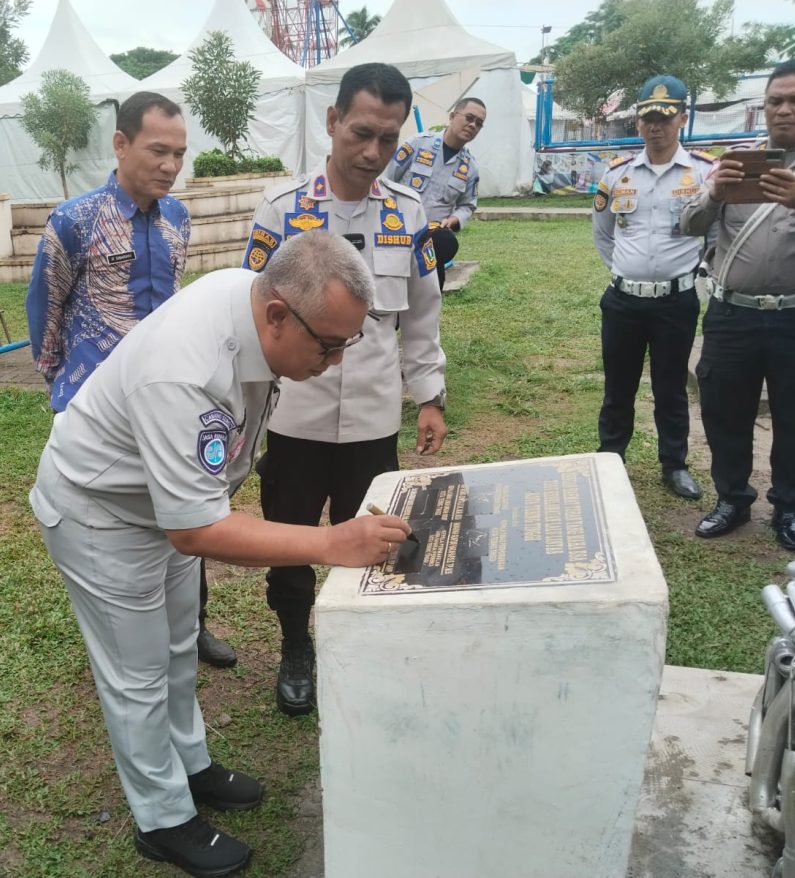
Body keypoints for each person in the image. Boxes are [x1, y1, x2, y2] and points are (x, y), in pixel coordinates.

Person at [29, 231, 411, 877]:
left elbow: (197, 500)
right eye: (330, 344)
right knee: (138, 673)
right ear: (277, 315)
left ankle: (192, 766)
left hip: (163, 500)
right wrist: (328, 543)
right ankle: (162, 817)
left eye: (349, 343)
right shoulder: (184, 364)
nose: (338, 360)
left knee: (179, 644)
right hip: (102, 512)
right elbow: (197, 530)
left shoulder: (254, 310)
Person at [243, 62, 447, 717]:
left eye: (389, 139)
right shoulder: (282, 211)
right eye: (361, 132)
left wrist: (431, 395)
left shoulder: (409, 213)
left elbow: (421, 314)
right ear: (331, 121)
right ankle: (296, 645)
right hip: (295, 416)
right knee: (292, 538)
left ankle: (365, 643)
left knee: (374, 537)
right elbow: (251, 313)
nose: (372, 152)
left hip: (372, 418)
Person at [24, 92, 236, 667]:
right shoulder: (74, 221)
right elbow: (46, 304)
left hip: (166, 399)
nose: (171, 165)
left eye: (180, 154)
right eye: (158, 151)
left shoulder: (178, 219)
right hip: (97, 402)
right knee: (113, 525)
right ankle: (126, 638)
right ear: (120, 144)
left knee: (184, 511)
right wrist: (59, 385)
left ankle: (191, 629)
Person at [681, 59, 795, 550]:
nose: (785, 111)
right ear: (764, 107)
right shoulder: (733, 161)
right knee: (723, 410)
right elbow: (688, 224)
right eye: (776, 101)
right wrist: (715, 194)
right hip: (733, 314)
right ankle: (731, 497)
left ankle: (791, 505)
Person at [591, 74, 716, 501]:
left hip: (676, 302)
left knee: (671, 389)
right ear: (638, 123)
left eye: (665, 116)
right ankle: (611, 459)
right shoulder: (617, 175)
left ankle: (674, 465)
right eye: (648, 117)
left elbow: (716, 235)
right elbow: (603, 234)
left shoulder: (703, 173)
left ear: (682, 117)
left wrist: (689, 274)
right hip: (623, 302)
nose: (656, 126)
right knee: (618, 387)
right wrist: (627, 273)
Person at [385, 95, 485, 289]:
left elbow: (467, 205)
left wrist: (454, 219)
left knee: (428, 305)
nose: (473, 125)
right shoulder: (418, 144)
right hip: (397, 233)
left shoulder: (470, 168)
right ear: (452, 116)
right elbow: (387, 177)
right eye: (469, 118)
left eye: (479, 123)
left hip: (430, 241)